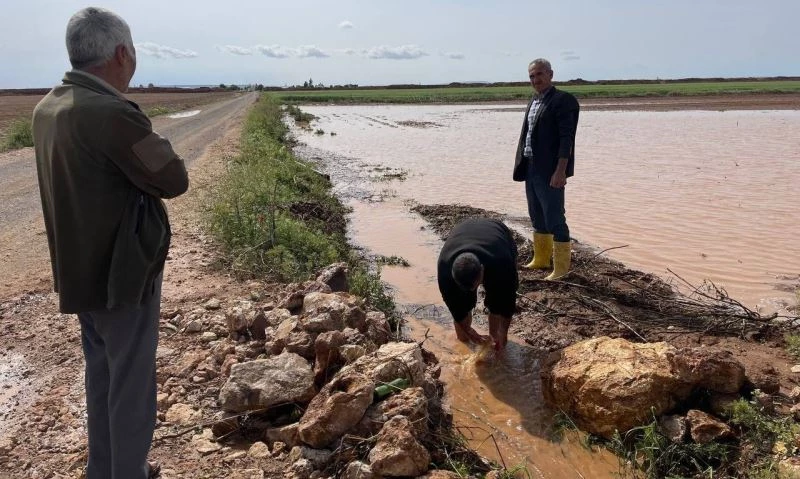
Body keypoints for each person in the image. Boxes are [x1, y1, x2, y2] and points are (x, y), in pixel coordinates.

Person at [32, 7, 188, 478]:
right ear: (122, 53)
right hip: (122, 273)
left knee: (102, 375)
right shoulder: (113, 114)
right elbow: (173, 178)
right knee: (131, 385)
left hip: (79, 269)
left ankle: (104, 468)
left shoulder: (48, 107)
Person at [512, 58, 580, 280]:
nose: (535, 79)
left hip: (551, 170)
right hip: (531, 167)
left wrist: (561, 170)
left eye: (540, 74)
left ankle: (560, 269)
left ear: (551, 74)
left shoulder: (563, 100)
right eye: (532, 76)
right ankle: (541, 259)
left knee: (554, 218)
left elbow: (566, 139)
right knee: (537, 215)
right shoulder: (534, 100)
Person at [437, 218, 519, 351]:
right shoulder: (445, 270)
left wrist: (502, 333)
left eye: (475, 286)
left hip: (497, 235)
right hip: (462, 231)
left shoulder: (503, 264)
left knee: (498, 302)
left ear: (482, 270)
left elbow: (507, 304)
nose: (472, 290)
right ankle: (463, 345)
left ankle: (495, 340)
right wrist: (468, 330)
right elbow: (456, 309)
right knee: (462, 305)